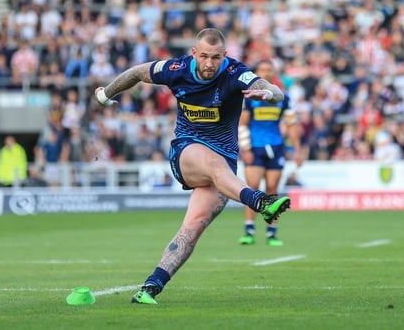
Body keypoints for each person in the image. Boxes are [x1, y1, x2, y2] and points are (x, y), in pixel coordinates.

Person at [94, 28, 291, 305]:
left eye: (216, 57)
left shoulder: (235, 73)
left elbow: (273, 90)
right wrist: (106, 94)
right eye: (205, 57)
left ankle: (151, 287)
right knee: (213, 162)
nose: (210, 63)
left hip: (223, 168)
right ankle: (258, 201)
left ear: (225, 55)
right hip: (187, 152)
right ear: (194, 53)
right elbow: (137, 72)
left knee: (194, 227)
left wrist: (268, 95)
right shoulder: (176, 69)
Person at [237, 60, 303, 247]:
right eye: (262, 70)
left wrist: (298, 151)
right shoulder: (249, 98)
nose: (266, 73)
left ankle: (271, 233)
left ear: (274, 73)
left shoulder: (284, 98)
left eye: (269, 70)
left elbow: (291, 125)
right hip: (255, 147)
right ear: (256, 73)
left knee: (272, 189)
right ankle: (249, 231)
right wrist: (246, 148)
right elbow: (243, 124)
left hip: (276, 147)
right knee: (253, 189)